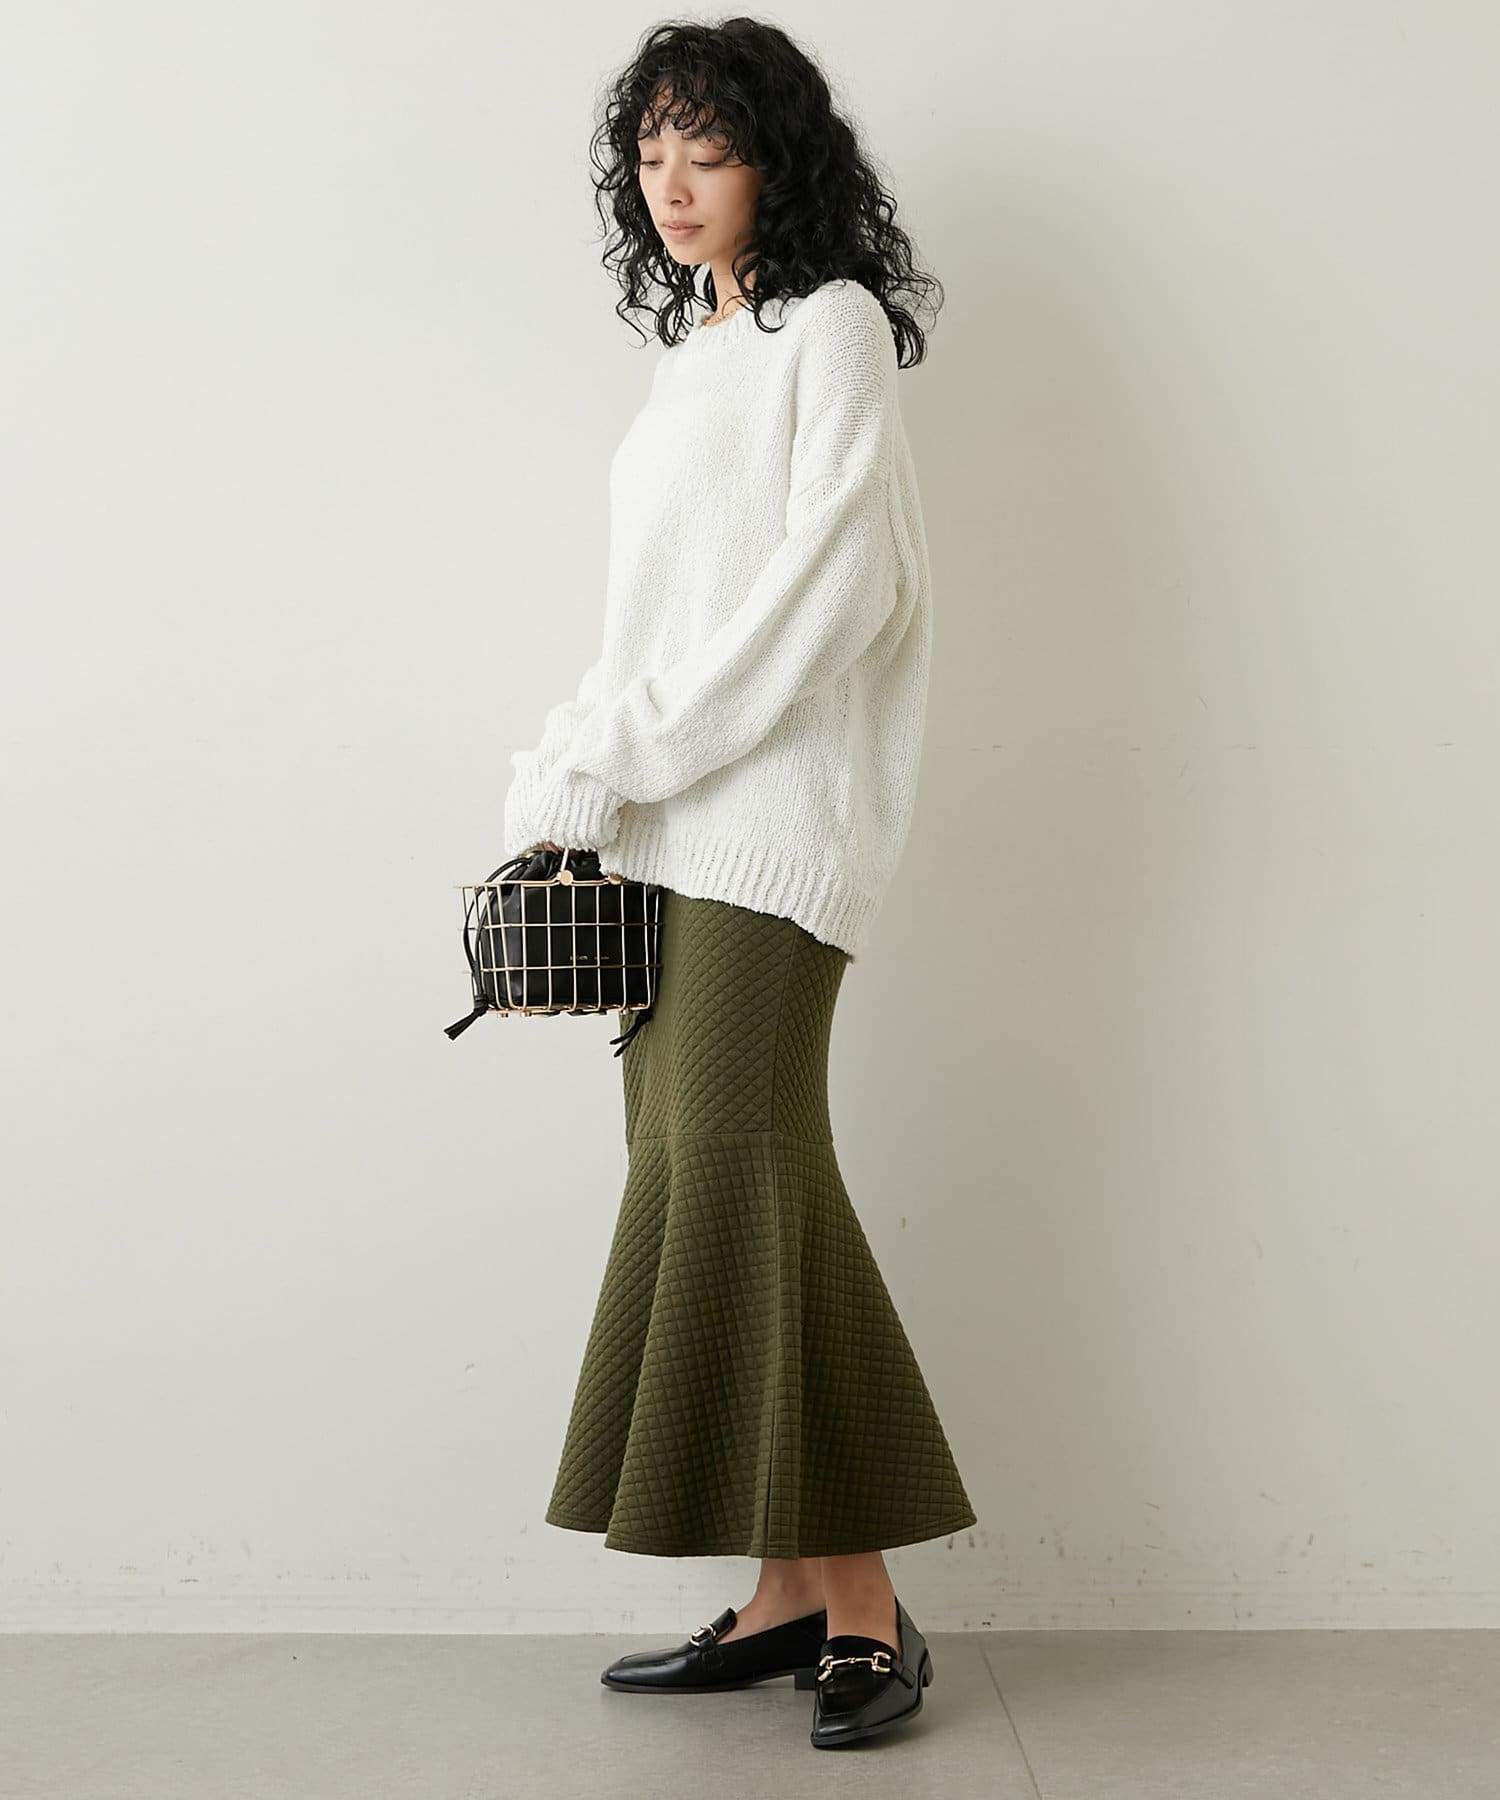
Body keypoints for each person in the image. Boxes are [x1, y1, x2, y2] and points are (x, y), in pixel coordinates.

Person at [500, 17, 976, 1750]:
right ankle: (784, 1594)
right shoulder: (691, 358)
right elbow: (656, 623)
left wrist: (631, 746)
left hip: (775, 829)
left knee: (745, 1166)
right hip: (662, 839)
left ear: (780, 159)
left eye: (708, 147)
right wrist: (573, 764)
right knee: (692, 1174)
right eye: (650, 153)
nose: (674, 183)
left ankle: (862, 1603)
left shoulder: (825, 327)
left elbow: (835, 589)